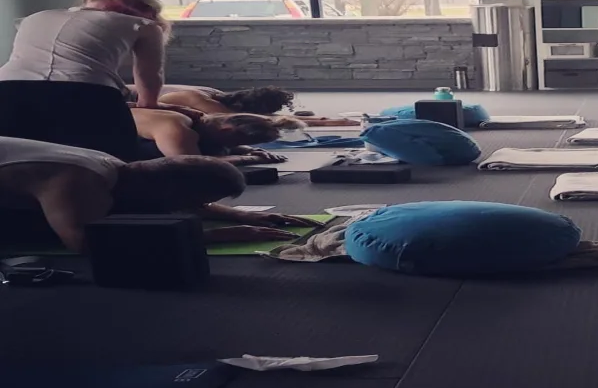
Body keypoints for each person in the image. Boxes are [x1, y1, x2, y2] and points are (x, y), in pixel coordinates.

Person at [0, 136, 313, 253]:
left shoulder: (116, 168)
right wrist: (213, 236)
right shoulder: (79, 185)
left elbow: (183, 201)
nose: (198, 207)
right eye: (195, 201)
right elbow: (85, 245)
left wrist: (243, 216)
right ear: (169, 189)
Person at [0, 0, 169, 160]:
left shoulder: (35, 17)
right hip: (85, 94)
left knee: (16, 164)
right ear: (147, 8)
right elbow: (149, 76)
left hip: (7, 92)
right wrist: (149, 106)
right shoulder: (144, 24)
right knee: (118, 163)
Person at [130, 109, 301, 164]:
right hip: (115, 151)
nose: (233, 146)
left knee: (217, 149)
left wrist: (249, 150)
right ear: (226, 130)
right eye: (237, 141)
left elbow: (228, 146)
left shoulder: (204, 123)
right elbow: (192, 163)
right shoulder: (178, 130)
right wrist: (248, 159)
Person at [152, 84, 358, 126]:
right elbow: (242, 119)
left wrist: (322, 120)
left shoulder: (214, 95)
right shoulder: (199, 100)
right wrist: (324, 122)